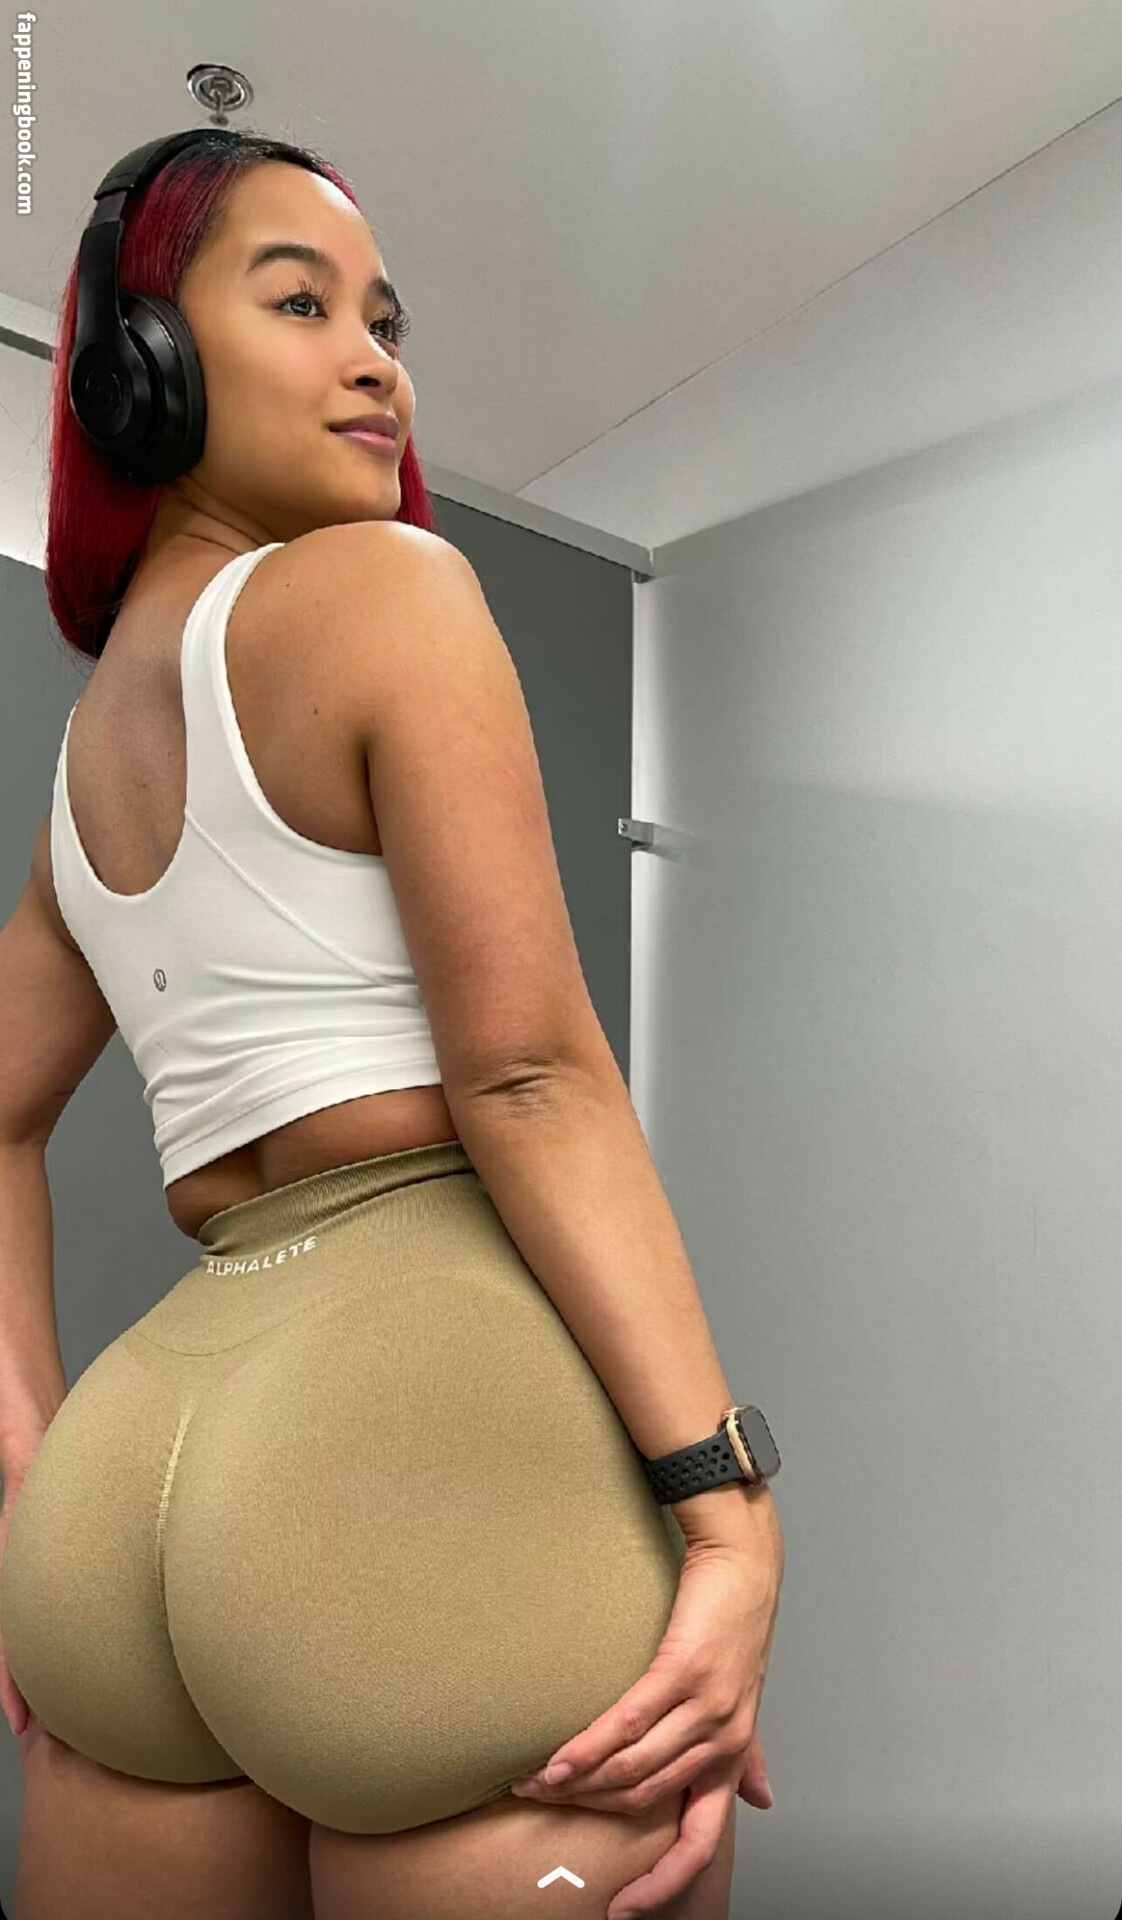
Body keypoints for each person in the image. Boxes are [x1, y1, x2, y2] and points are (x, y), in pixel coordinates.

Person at [0, 130, 784, 1920]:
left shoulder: (84, 768)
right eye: (300, 305)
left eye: (384, 321)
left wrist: (31, 1461)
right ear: (142, 371)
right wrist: (726, 1509)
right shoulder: (387, 592)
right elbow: (526, 1076)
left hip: (135, 1473)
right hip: (407, 1420)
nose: (376, 365)